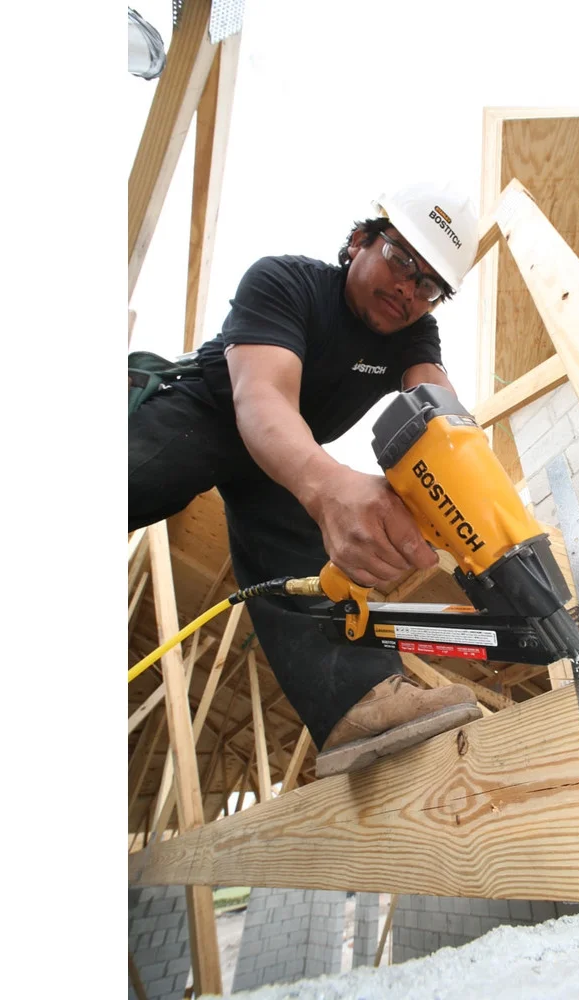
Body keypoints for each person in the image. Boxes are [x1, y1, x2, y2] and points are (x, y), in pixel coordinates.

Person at [129, 182, 484, 777]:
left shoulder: (413, 336)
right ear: (359, 240)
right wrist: (330, 488)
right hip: (209, 409)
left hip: (282, 454)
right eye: (401, 259)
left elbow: (440, 416)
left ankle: (360, 704)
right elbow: (262, 399)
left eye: (429, 286)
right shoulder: (285, 281)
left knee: (307, 567)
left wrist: (476, 513)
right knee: (144, 474)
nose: (408, 289)